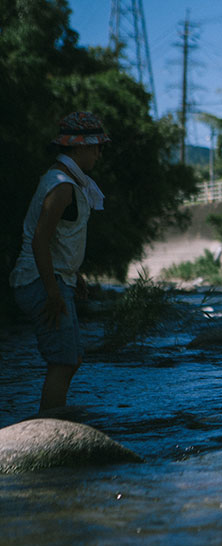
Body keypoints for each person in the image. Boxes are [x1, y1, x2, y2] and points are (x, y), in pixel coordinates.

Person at [9, 111, 111, 411]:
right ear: (79, 148)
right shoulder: (62, 185)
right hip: (40, 281)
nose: (98, 154)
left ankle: (54, 423)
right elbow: (40, 239)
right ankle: (51, 427)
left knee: (72, 357)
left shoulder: (65, 180)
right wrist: (53, 292)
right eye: (96, 148)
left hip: (50, 278)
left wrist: (72, 276)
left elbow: (59, 239)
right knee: (64, 362)